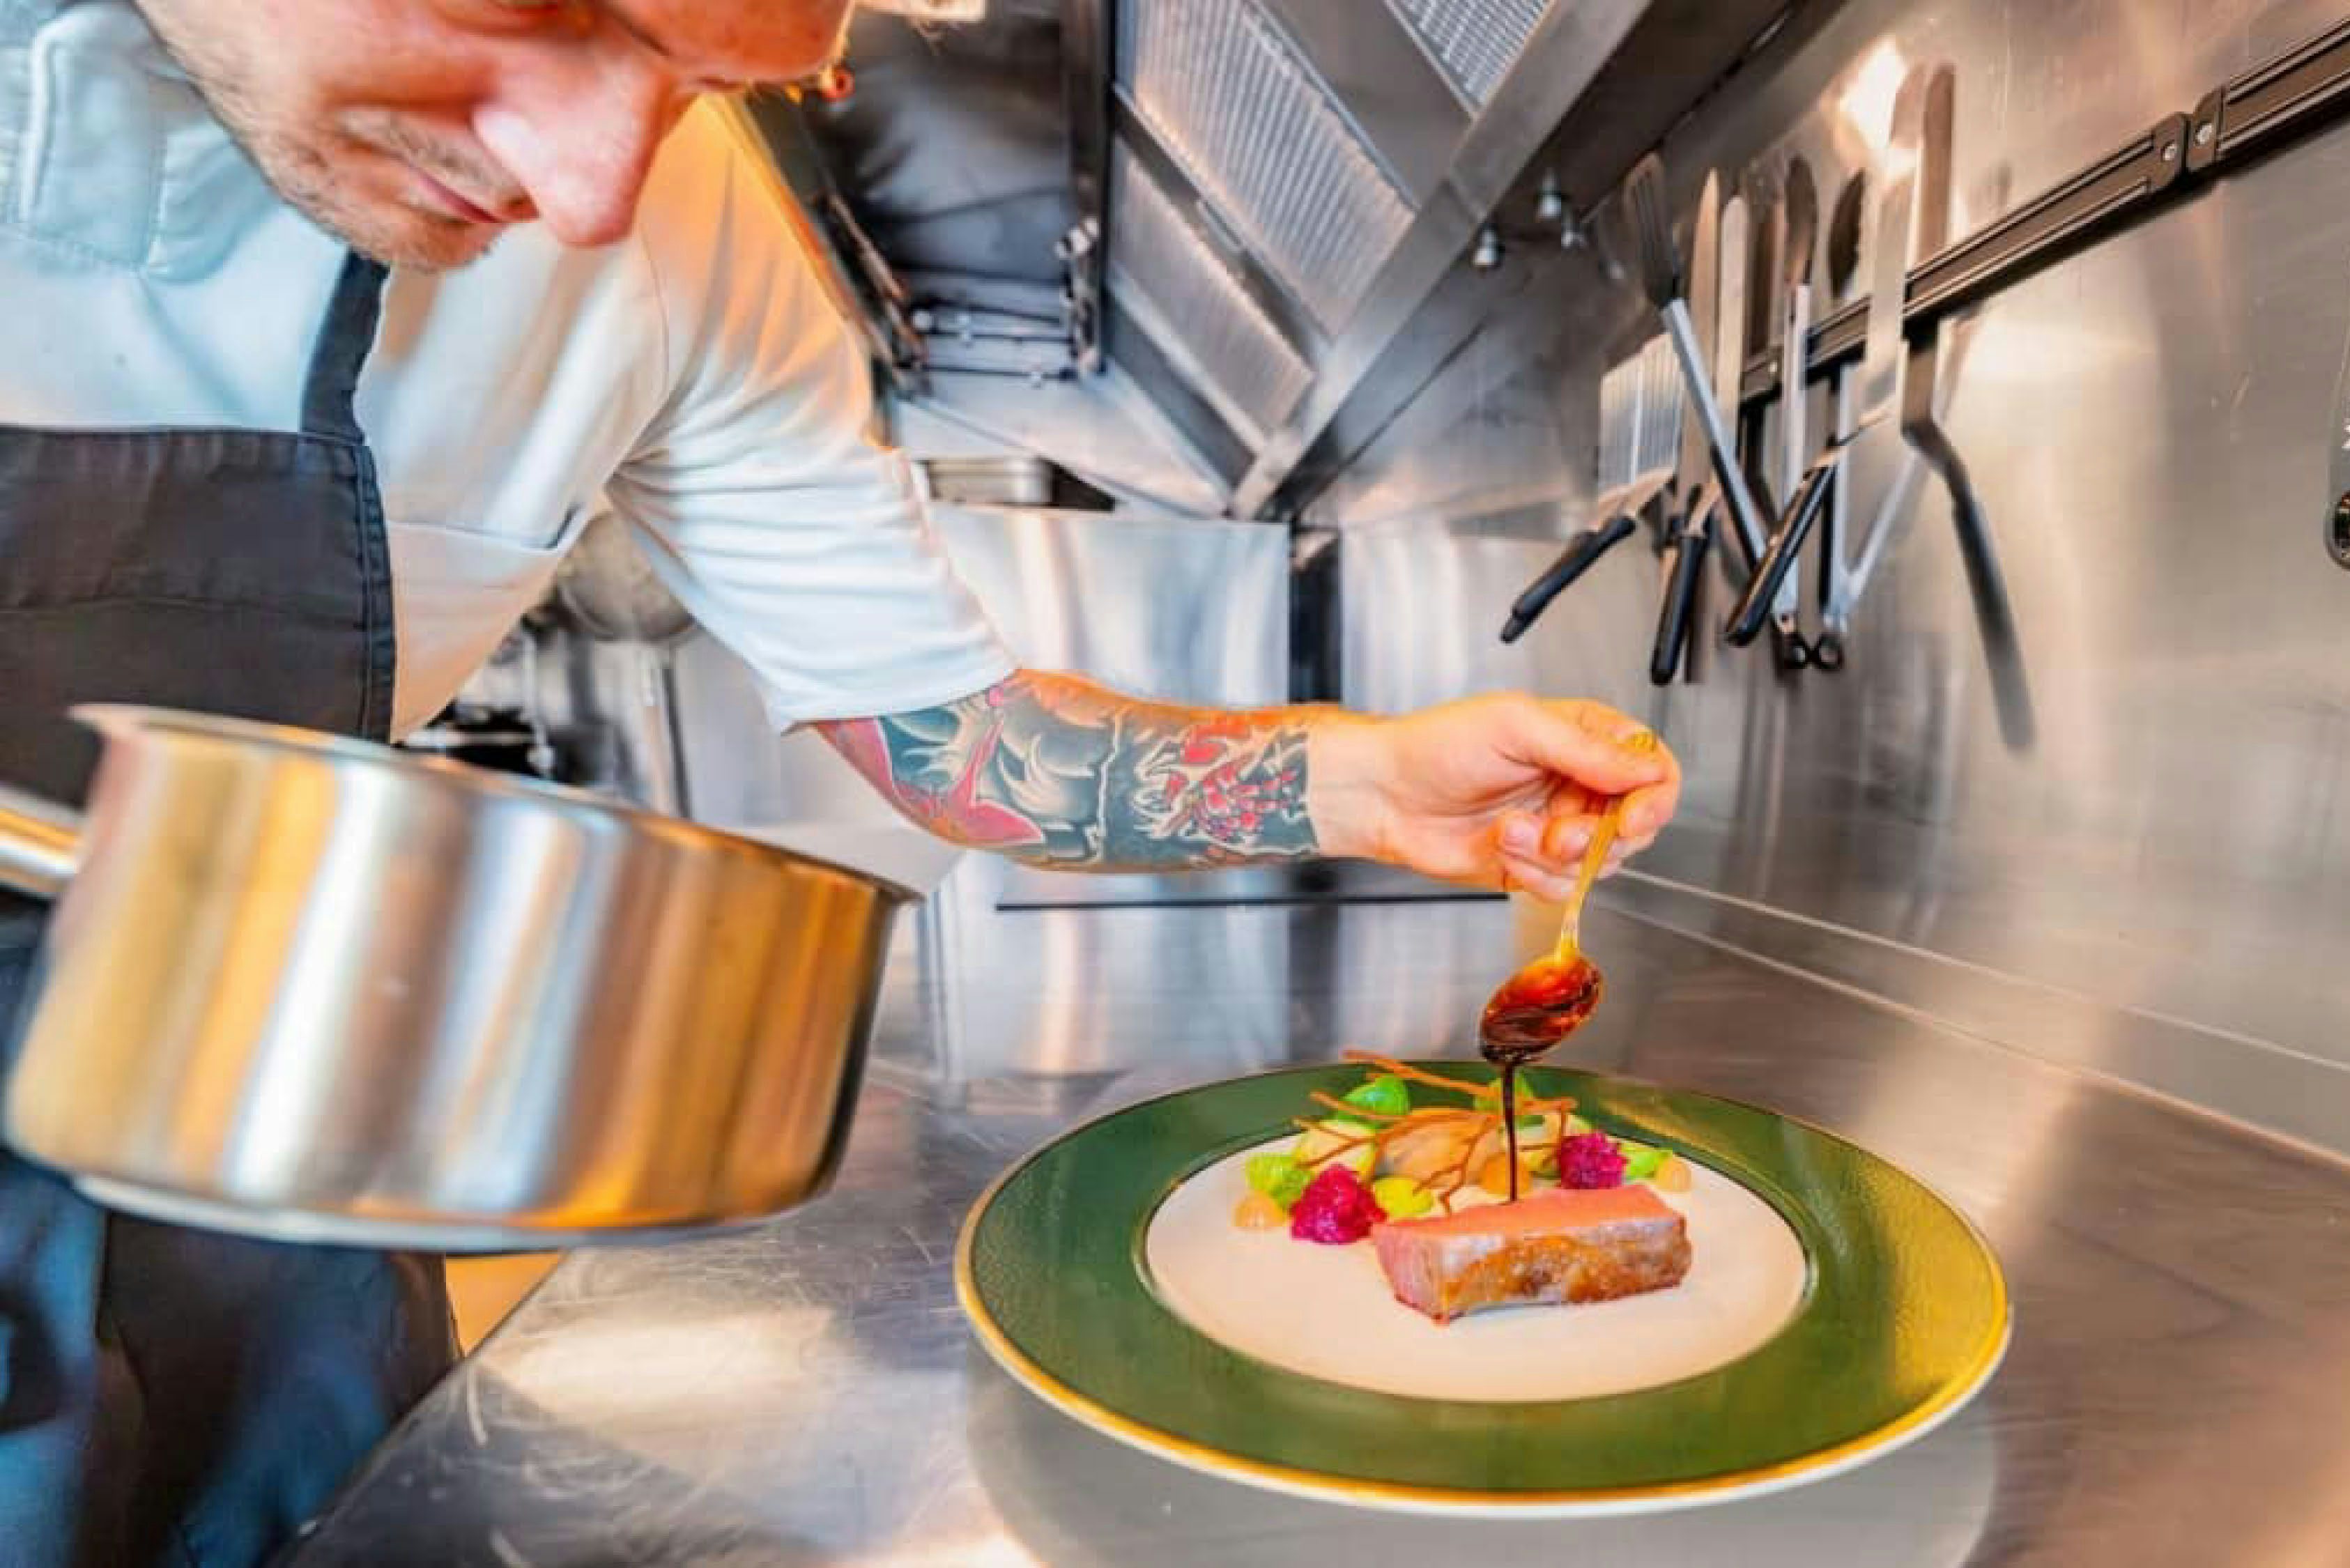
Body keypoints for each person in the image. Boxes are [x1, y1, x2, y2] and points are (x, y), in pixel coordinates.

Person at [0, 1, 1683, 1562]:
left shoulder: (674, 226)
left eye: (710, 80)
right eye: (540, 5)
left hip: (274, 1128)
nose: (591, 188)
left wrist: (1362, 784)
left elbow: (948, 729)